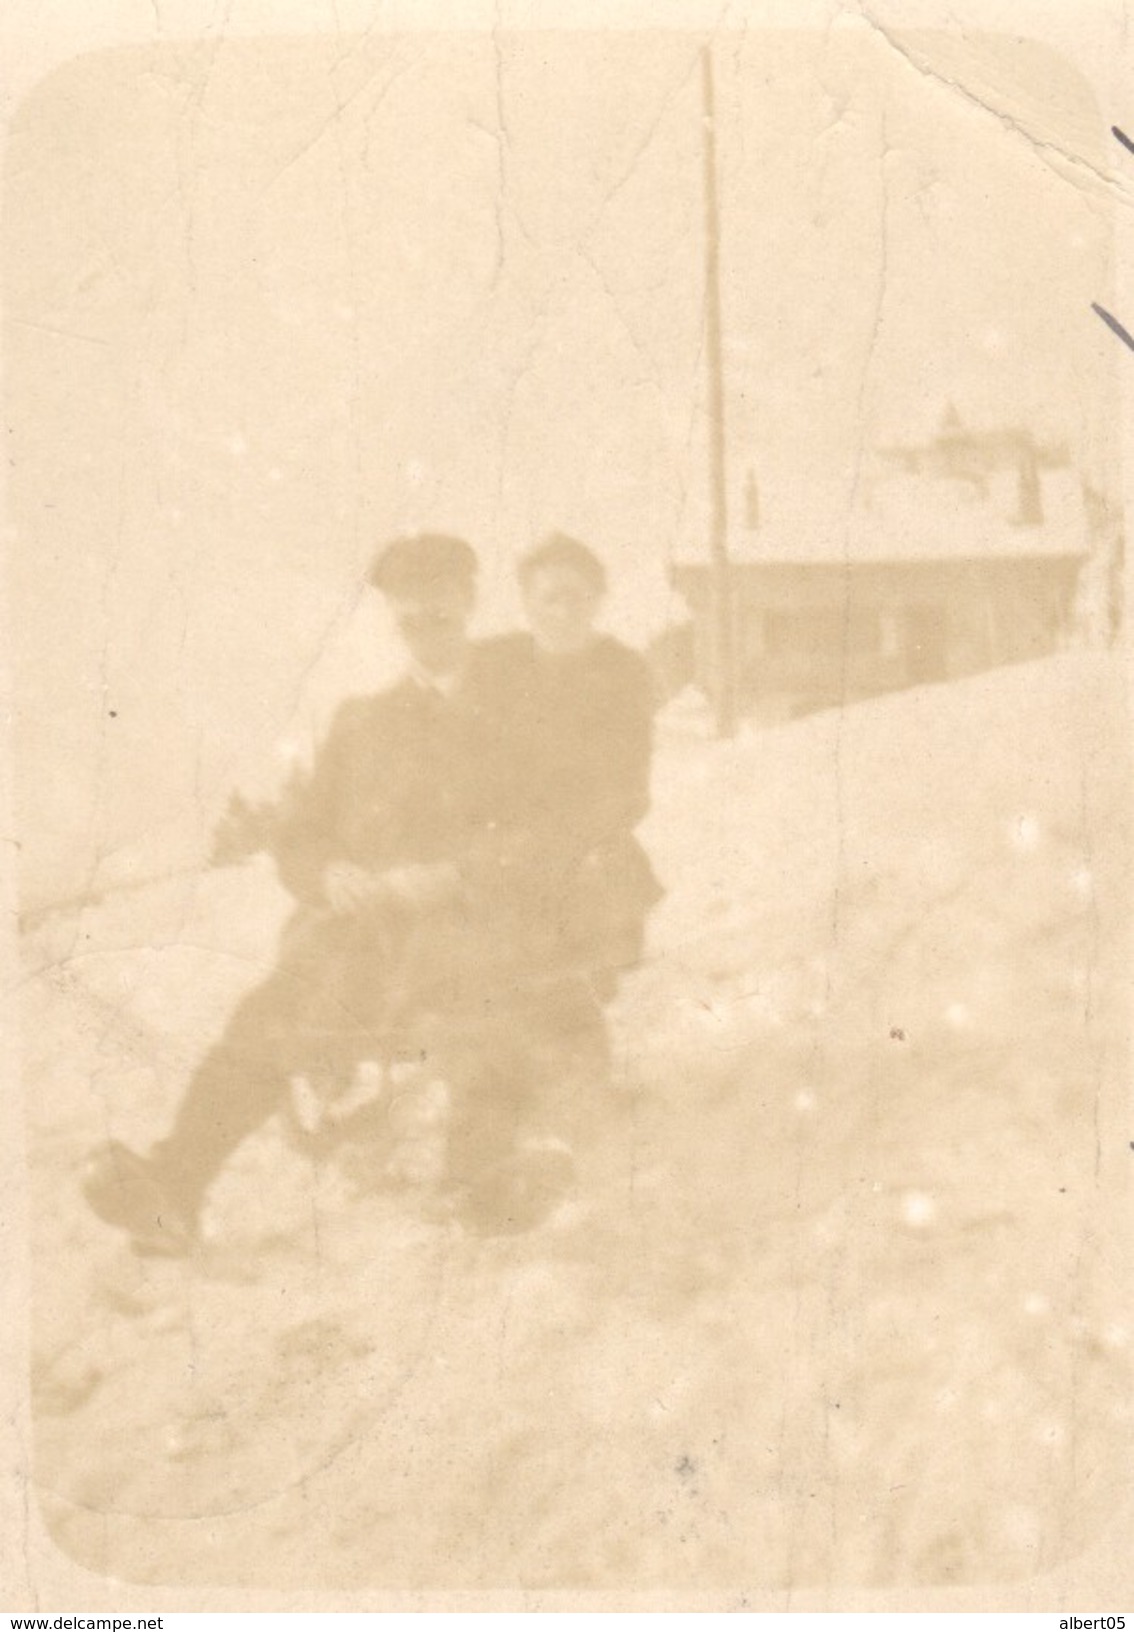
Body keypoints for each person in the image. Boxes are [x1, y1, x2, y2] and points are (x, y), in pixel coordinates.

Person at [83, 533, 491, 1254]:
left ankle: (481, 1177)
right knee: (269, 1020)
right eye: (409, 623)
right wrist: (328, 872)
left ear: (470, 602)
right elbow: (302, 834)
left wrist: (453, 874)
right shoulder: (363, 722)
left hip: (478, 925)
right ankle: (176, 1188)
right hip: (357, 935)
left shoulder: (518, 708)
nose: (425, 636)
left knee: (466, 1011)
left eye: (440, 617)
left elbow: (555, 822)